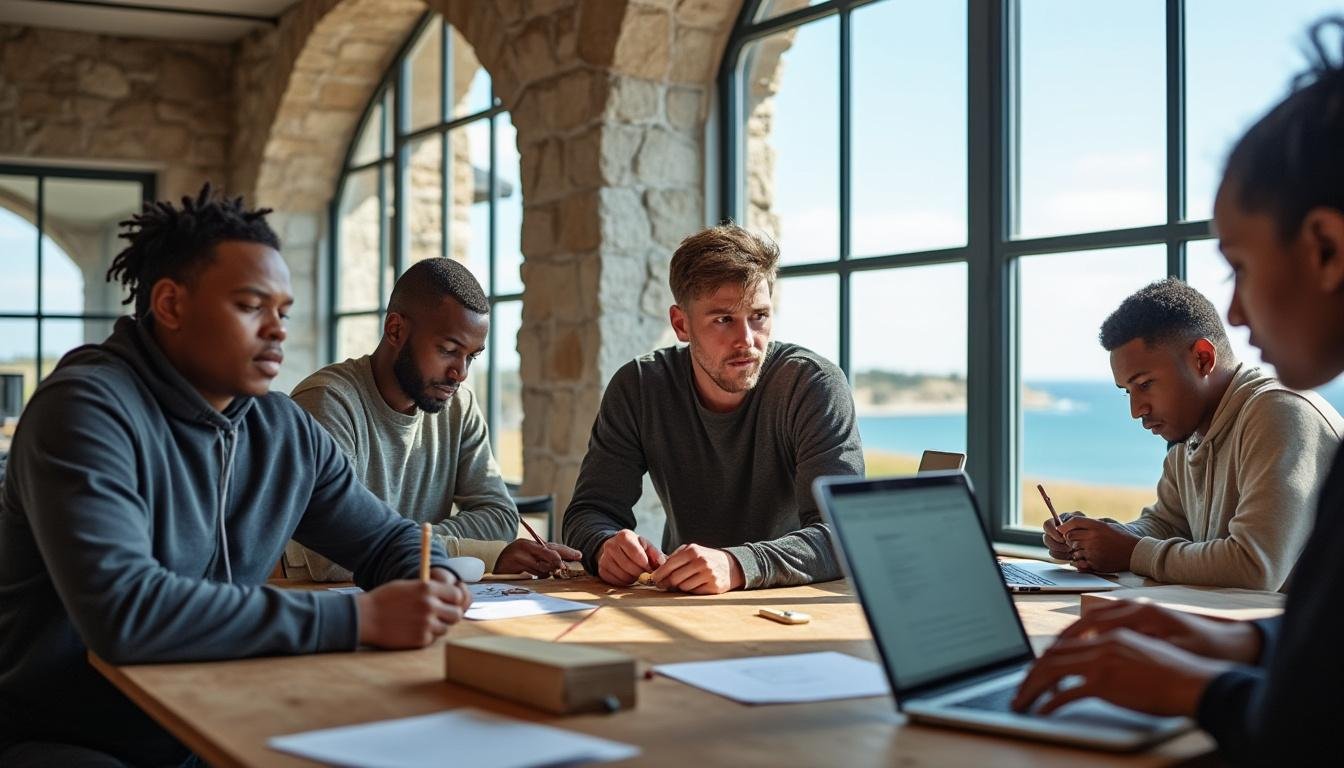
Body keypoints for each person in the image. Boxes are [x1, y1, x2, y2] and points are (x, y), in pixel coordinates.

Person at [0, 186, 471, 767]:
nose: (277, 330)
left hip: (219, 719)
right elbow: (128, 613)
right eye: (251, 307)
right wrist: (361, 617)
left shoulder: (282, 429)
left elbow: (388, 539)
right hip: (77, 743)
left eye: (283, 311)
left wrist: (438, 580)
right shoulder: (83, 412)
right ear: (171, 305)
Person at [1014, 19, 1344, 764]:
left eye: (1240, 265)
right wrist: (1237, 636)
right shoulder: (1190, 438)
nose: (1235, 311)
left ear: (1324, 248)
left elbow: (1259, 575)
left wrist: (1196, 685)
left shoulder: (1279, 414)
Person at [562, 224, 865, 594]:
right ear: (681, 324)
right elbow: (589, 512)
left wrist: (738, 565)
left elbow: (845, 533)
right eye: (724, 320)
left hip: (791, 603)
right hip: (681, 601)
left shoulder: (813, 386)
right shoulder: (640, 386)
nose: (747, 341)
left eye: (759, 316)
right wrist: (604, 544)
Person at [284, 257, 580, 579]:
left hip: (422, 601)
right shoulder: (327, 402)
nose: (461, 373)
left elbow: (499, 517)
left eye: (472, 356)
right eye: (448, 349)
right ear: (395, 329)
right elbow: (333, 556)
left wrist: (399, 545)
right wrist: (482, 554)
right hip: (329, 612)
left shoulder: (459, 406)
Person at [1040, 278, 1341, 590]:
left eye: (1145, 384)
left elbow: (1255, 566)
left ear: (1202, 359)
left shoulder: (1279, 413)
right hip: (1249, 630)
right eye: (1126, 391)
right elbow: (1168, 525)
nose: (1136, 409)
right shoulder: (1189, 435)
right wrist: (1096, 537)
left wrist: (1130, 552)